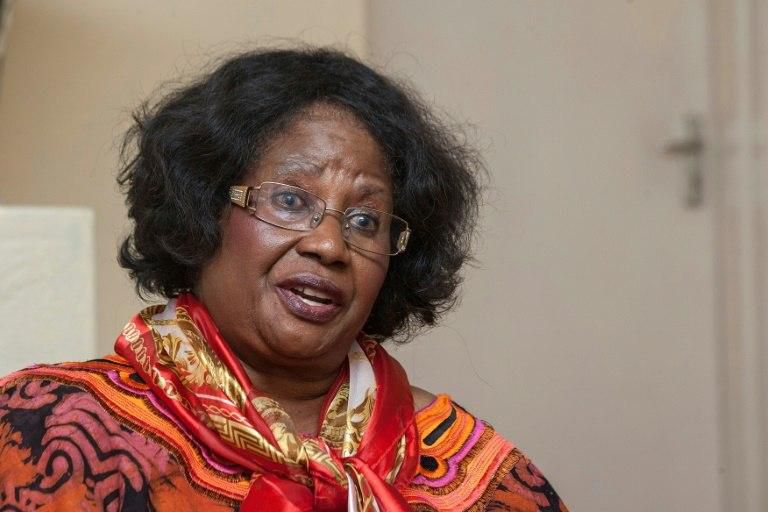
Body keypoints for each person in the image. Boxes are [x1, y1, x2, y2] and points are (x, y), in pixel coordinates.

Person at [0, 48, 568, 511]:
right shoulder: (44, 429)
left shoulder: (481, 481)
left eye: (365, 220)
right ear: (204, 212)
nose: (328, 244)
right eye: (291, 200)